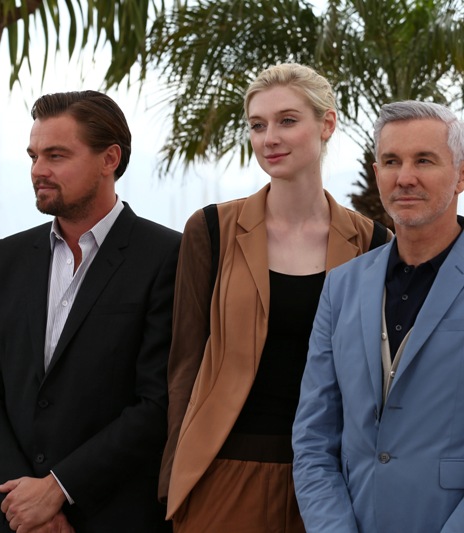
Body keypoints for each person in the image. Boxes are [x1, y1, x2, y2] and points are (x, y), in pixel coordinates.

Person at [160, 64, 389, 532]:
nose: (270, 138)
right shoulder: (211, 230)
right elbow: (185, 363)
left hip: (333, 482)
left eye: (287, 120)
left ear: (326, 124)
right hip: (222, 474)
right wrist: (172, 479)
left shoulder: (373, 243)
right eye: (257, 125)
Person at [0, 90, 180, 532]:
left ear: (109, 159)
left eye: (56, 155)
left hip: (115, 516)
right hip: (17, 519)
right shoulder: (10, 256)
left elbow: (158, 402)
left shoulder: (167, 255)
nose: (38, 170)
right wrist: (24, 503)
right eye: (34, 156)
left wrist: (58, 490)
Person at [293, 101, 464, 532]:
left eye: (424, 160)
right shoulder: (341, 287)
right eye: (391, 161)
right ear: (376, 173)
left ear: (461, 175)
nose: (404, 177)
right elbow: (313, 439)